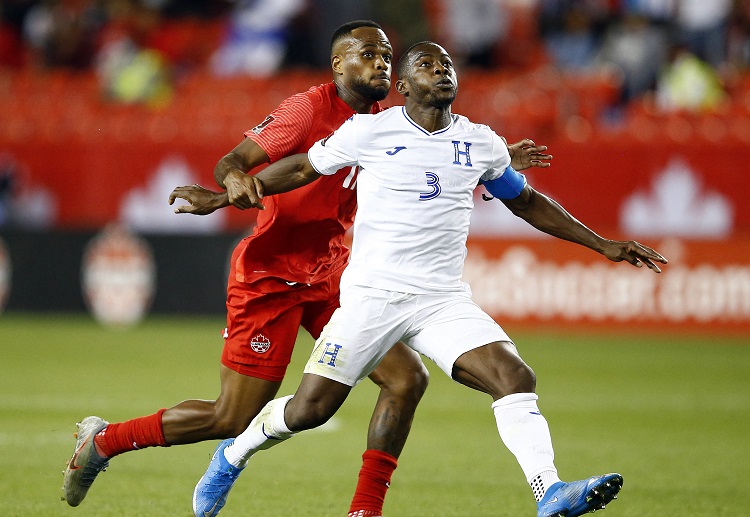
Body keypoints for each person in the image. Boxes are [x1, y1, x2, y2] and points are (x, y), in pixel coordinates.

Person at [62, 21, 551, 517]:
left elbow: (438, 151)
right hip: (269, 276)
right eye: (368, 54)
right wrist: (228, 183)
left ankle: (365, 508)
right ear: (339, 64)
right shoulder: (308, 109)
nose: (381, 63)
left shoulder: (389, 121)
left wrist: (500, 157)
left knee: (407, 380)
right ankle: (105, 441)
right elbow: (235, 160)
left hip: (335, 273)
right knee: (232, 416)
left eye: (386, 55)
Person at [191, 41, 668, 517]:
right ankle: (233, 454)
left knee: (515, 376)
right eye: (426, 64)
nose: (441, 70)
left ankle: (549, 492)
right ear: (402, 86)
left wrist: (603, 243)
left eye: (447, 65)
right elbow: (301, 167)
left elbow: (525, 201)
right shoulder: (370, 131)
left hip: (441, 299)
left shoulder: (482, 142)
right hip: (371, 297)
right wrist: (223, 195)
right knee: (310, 411)